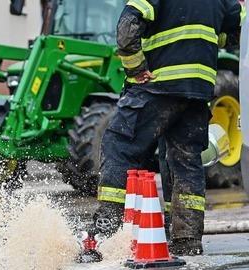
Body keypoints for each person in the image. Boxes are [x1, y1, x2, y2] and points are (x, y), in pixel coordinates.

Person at [91, 0, 244, 256]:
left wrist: (136, 68)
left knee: (119, 146)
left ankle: (106, 231)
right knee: (185, 161)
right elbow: (240, 26)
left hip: (158, 84)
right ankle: (186, 240)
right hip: (197, 91)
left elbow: (128, 26)